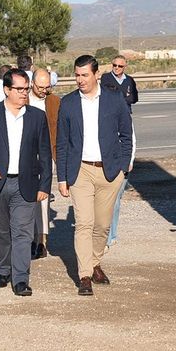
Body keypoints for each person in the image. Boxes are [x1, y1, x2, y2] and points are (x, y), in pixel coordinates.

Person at [0, 68, 51, 296]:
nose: (25, 93)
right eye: (19, 89)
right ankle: (3, 270)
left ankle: (21, 279)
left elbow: (45, 154)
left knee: (23, 233)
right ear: (6, 90)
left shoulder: (36, 116)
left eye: (26, 89)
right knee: (1, 232)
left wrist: (44, 186)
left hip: (25, 185)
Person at [56, 54, 133, 296]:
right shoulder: (67, 103)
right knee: (84, 224)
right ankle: (84, 275)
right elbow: (62, 143)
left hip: (110, 171)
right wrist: (62, 177)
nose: (80, 80)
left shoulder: (114, 99)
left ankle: (95, 261)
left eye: (84, 75)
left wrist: (123, 167)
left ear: (96, 74)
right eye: (77, 75)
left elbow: (126, 135)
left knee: (101, 225)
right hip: (80, 172)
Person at [28, 67, 61, 258]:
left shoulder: (55, 101)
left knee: (43, 199)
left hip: (47, 156)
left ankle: (41, 241)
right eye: (40, 87)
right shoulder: (23, 99)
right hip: (26, 156)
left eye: (47, 87)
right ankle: (29, 237)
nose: (44, 90)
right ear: (32, 83)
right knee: (27, 197)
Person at [102, 70, 138, 246]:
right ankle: (103, 236)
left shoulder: (124, 115)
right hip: (103, 165)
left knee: (114, 202)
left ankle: (111, 236)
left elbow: (130, 139)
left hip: (120, 165)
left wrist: (128, 162)